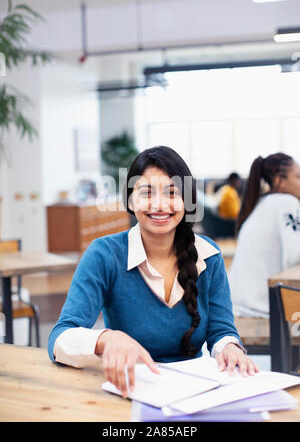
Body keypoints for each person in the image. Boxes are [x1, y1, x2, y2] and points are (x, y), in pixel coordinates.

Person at [48, 146, 258, 398]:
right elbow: (60, 337)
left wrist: (230, 348)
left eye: (172, 193)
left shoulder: (208, 255)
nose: (159, 205)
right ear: (130, 200)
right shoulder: (105, 254)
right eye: (146, 192)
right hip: (129, 391)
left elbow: (222, 331)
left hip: (196, 392)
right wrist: (106, 339)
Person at [228, 153, 300, 318]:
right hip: (263, 309)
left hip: (239, 305)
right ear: (279, 181)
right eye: (297, 176)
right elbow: (295, 257)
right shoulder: (287, 202)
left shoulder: (259, 204)